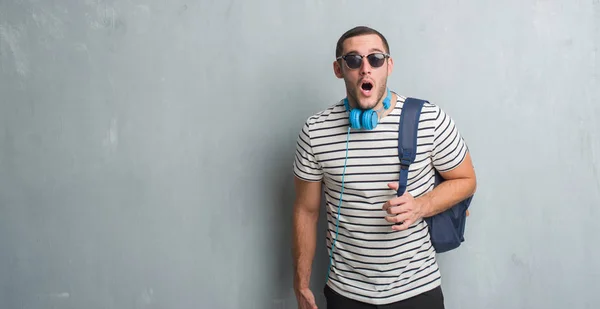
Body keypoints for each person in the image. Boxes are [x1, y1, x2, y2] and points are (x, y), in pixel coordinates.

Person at [291, 26, 477, 309]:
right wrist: (301, 283)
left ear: (388, 65)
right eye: (353, 60)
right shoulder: (316, 130)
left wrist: (421, 206)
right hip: (345, 293)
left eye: (375, 59)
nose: (365, 68)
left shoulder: (429, 118)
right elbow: (306, 210)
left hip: (418, 290)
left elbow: (466, 180)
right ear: (339, 69)